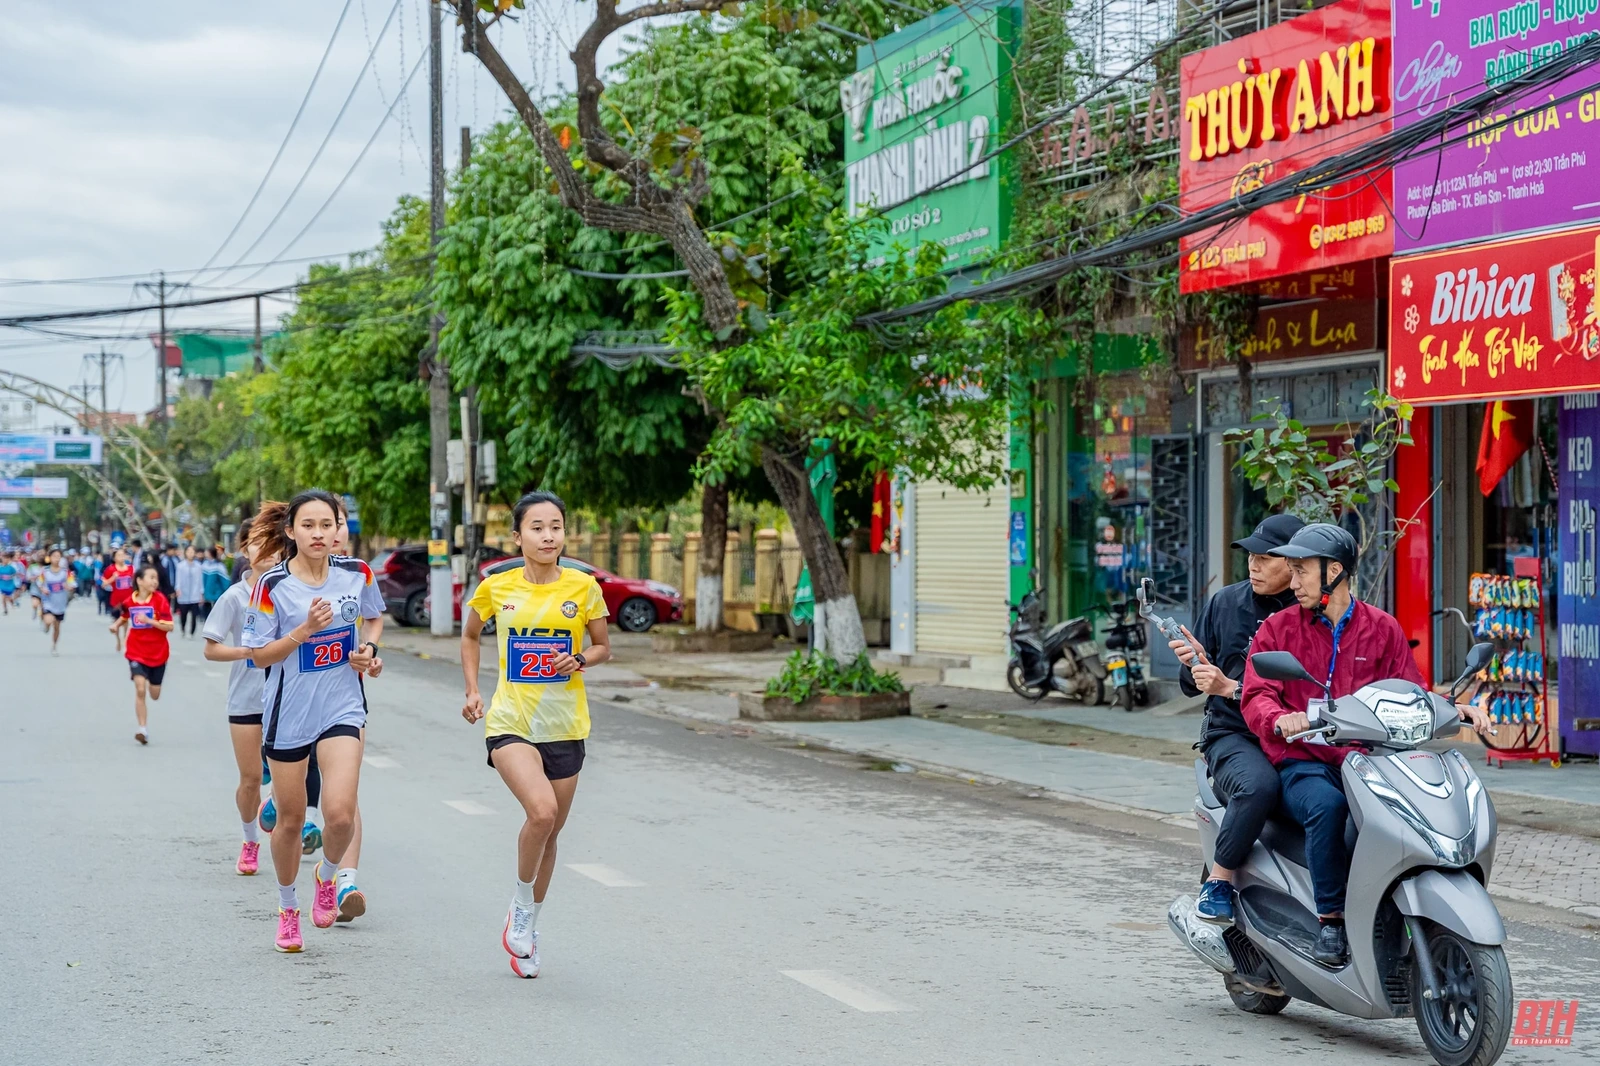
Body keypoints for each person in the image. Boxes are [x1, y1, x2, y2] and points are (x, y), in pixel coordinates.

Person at [1242, 524, 1493, 966]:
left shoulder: (1382, 628)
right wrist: (1280, 719)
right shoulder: (1279, 629)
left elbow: (1409, 689)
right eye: (1293, 571)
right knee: (1328, 808)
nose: (1293, 581)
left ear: (1333, 572)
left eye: (1301, 571)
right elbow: (1257, 693)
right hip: (1305, 760)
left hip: (1369, 759)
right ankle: (1332, 921)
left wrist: (1452, 708)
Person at [461, 490, 611, 977]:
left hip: (565, 725)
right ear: (518, 536)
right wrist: (472, 689)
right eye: (537, 527)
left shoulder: (583, 587)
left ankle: (526, 927)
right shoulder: (496, 587)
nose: (548, 536)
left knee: (551, 833)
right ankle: (522, 906)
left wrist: (581, 659)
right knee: (541, 812)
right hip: (511, 722)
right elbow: (470, 634)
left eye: (556, 527)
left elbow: (603, 646)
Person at [241, 490, 384, 953]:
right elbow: (258, 655)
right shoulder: (273, 586)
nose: (319, 533)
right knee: (290, 820)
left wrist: (368, 651)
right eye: (309, 525)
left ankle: (328, 876)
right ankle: (288, 909)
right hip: (289, 715)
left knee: (340, 814)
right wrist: (304, 630)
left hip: (343, 708)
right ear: (291, 531)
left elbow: (373, 620)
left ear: (338, 528)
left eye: (328, 524)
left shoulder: (357, 573)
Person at [1167, 514, 1303, 924]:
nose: (1253, 566)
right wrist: (1195, 665)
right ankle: (1219, 881)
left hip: (1300, 733)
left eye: (1265, 558)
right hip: (1234, 733)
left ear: (1296, 563)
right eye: (1250, 557)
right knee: (1259, 786)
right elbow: (1192, 687)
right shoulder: (1225, 603)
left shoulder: (1312, 611)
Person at [203, 508, 284, 876]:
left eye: (273, 542)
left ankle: (279, 806)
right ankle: (250, 840)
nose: (266, 550)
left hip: (286, 697)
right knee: (251, 779)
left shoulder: (292, 590)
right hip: (246, 699)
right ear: (244, 550)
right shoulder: (235, 597)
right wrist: (250, 653)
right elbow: (211, 648)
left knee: (291, 776)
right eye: (257, 543)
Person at [124, 563, 175, 745]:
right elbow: (124, 615)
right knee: (140, 689)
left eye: (156, 578)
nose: (155, 581)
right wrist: (115, 625)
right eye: (151, 577)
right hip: (136, 651)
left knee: (154, 694)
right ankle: (142, 729)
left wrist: (150, 621)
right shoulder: (130, 601)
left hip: (158, 653)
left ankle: (151, 683)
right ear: (139, 580)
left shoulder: (160, 600)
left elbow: (170, 626)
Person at [38, 548, 74, 655]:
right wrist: (43, 589)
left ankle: (54, 646)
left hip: (60, 602)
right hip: (48, 601)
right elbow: (39, 583)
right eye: (54, 556)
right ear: (49, 558)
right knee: (49, 620)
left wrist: (68, 587)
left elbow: (72, 584)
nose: (56, 559)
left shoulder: (65, 572)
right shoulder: (45, 571)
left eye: (58, 556)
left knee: (57, 627)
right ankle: (46, 624)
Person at [103, 547, 135, 652]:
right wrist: (113, 578)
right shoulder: (111, 569)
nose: (121, 557)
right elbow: (103, 584)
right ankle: (118, 639)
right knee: (116, 620)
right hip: (116, 599)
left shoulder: (131, 568)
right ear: (114, 558)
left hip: (128, 599)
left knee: (125, 619)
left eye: (123, 555)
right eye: (119, 555)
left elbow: (135, 581)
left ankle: (124, 637)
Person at [175, 545, 205, 638]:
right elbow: (178, 579)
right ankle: (183, 628)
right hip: (183, 593)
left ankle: (192, 632)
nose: (190, 554)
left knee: (194, 615)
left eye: (192, 552)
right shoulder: (180, 566)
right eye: (189, 551)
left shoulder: (198, 566)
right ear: (185, 553)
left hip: (195, 594)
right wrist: (178, 589)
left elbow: (200, 580)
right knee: (183, 614)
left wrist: (201, 592)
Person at [202, 547, 230, 619]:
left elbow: (225, 580)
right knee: (206, 612)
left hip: (216, 593)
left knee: (216, 612)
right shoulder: (205, 564)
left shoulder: (219, 565)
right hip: (206, 592)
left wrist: (226, 590)